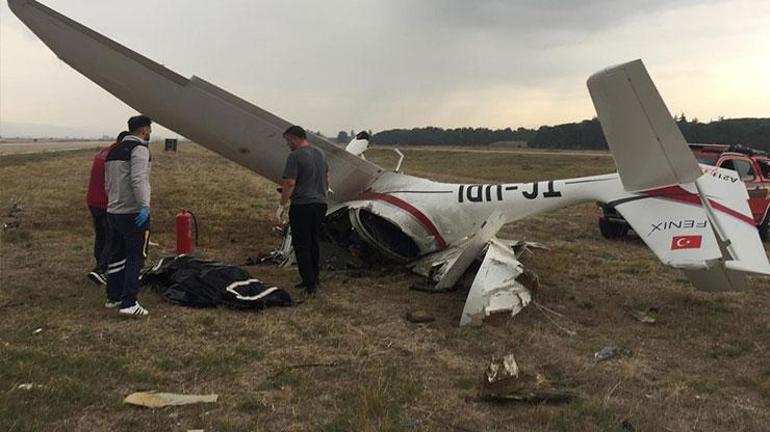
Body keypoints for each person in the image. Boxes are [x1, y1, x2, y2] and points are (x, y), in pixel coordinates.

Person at [104, 115, 153, 316]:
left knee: (117, 255)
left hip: (113, 210)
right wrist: (144, 206)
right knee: (135, 257)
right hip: (133, 213)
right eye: (149, 129)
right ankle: (129, 303)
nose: (150, 132)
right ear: (144, 130)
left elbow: (108, 182)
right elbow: (139, 179)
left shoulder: (113, 150)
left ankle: (113, 297)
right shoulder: (139, 149)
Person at [279, 125, 328, 297]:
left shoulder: (294, 156)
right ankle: (315, 278)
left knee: (302, 244)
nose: (288, 144)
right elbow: (326, 178)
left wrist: (282, 203)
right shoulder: (320, 153)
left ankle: (309, 284)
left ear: (294, 138)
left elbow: (290, 183)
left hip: (302, 205)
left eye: (288, 141)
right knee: (314, 242)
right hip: (320, 204)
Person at [86, 130, 129, 286]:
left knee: (101, 235)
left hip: (92, 201)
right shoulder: (117, 156)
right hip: (106, 203)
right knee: (112, 237)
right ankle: (101, 270)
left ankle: (99, 263)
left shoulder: (103, 152)